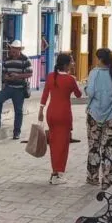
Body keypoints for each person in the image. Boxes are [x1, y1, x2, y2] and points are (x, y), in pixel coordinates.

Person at [85, 48, 112, 190]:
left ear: (100, 59)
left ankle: (93, 177)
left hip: (94, 116)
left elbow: (89, 92)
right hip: (111, 117)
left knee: (94, 147)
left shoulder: (94, 73)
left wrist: (86, 88)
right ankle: (108, 179)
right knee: (110, 148)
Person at [38, 53, 82, 185]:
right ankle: (58, 173)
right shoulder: (70, 79)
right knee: (62, 145)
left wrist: (40, 110)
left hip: (51, 113)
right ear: (66, 64)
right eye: (72, 62)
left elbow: (45, 95)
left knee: (53, 143)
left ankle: (54, 172)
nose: (73, 64)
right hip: (64, 114)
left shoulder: (51, 77)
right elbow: (79, 95)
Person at [0, 41, 32, 140]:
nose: (13, 52)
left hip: (19, 89)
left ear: (19, 50)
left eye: (15, 50)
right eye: (12, 49)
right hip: (9, 87)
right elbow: (3, 73)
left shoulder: (26, 60)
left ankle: (17, 132)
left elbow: (29, 74)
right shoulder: (7, 60)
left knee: (18, 111)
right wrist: (6, 77)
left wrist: (17, 76)